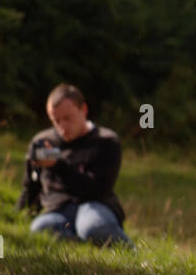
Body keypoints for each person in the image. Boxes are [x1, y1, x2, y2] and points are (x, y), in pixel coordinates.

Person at [18, 83, 133, 248]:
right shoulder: (42, 143)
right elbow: (30, 186)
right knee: (39, 229)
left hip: (96, 205)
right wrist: (19, 216)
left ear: (83, 110)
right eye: (56, 120)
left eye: (67, 118)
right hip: (58, 210)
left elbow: (98, 189)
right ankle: (85, 250)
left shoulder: (106, 141)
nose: (62, 126)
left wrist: (57, 165)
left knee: (93, 228)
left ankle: (134, 255)